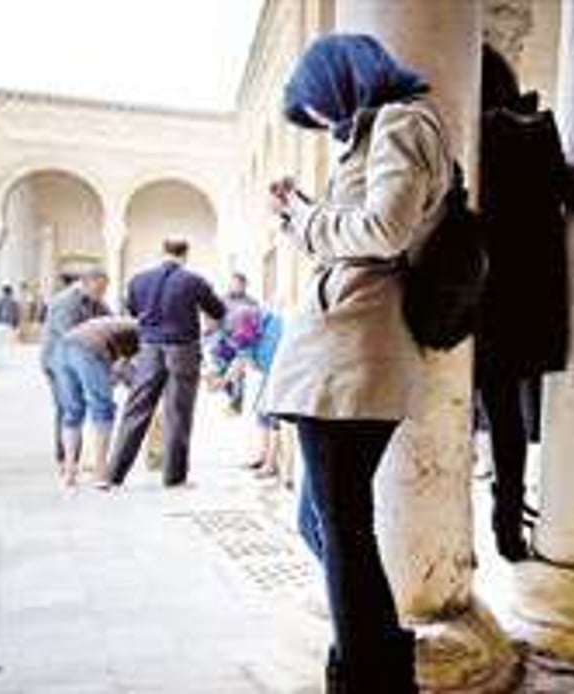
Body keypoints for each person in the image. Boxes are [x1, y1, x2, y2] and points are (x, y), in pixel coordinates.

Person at [265, 34, 447, 693]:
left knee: (339, 524)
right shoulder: (389, 128)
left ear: (343, 82)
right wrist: (300, 219)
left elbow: (385, 230)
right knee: (323, 521)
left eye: (318, 111)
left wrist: (309, 216)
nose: (322, 126)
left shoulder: (401, 122)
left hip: (352, 355)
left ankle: (369, 674)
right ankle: (378, 646)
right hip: (344, 350)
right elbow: (358, 236)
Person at [474, 45, 570, 561]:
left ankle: (504, 519)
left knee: (494, 415)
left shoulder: (466, 132)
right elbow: (571, 187)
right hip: (515, 299)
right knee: (505, 417)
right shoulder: (530, 130)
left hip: (466, 293)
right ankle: (507, 521)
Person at [106, 238, 226, 488]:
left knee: (136, 409)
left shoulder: (138, 280)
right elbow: (217, 310)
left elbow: (132, 310)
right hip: (183, 349)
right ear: (185, 255)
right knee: (178, 413)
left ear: (162, 252)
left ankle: (113, 475)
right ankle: (174, 477)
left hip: (149, 348)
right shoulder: (193, 280)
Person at [53, 316, 140, 488]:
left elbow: (120, 367)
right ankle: (100, 473)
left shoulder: (122, 325)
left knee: (72, 412)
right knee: (102, 409)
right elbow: (130, 370)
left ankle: (69, 473)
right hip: (88, 349)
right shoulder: (144, 332)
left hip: (62, 347)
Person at [40, 270, 111, 466]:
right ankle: (65, 460)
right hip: (57, 362)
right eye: (99, 289)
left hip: (81, 361)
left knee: (82, 406)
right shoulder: (64, 302)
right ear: (86, 283)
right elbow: (70, 334)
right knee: (67, 407)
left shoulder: (97, 302)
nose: (102, 294)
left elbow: (109, 323)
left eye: (104, 290)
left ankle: (74, 459)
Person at [213, 306, 284, 478]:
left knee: (273, 417)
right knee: (261, 414)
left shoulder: (274, 328)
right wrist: (224, 381)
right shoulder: (244, 326)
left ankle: (270, 464)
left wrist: (226, 380)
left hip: (279, 373)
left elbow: (248, 358)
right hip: (269, 374)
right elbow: (241, 357)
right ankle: (262, 457)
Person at [220, 272, 259, 414]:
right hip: (225, 339)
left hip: (242, 341)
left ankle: (236, 403)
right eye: (234, 283)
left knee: (239, 373)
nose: (236, 286)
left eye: (239, 284)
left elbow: (256, 321)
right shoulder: (222, 300)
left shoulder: (251, 302)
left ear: (244, 286)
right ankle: (231, 395)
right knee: (223, 370)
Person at [0, 285, 21, 366]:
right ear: (11, 293)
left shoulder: (0, 301)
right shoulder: (15, 303)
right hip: (9, 326)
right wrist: (15, 326)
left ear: (3, 292)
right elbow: (17, 315)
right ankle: (5, 361)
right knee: (6, 344)